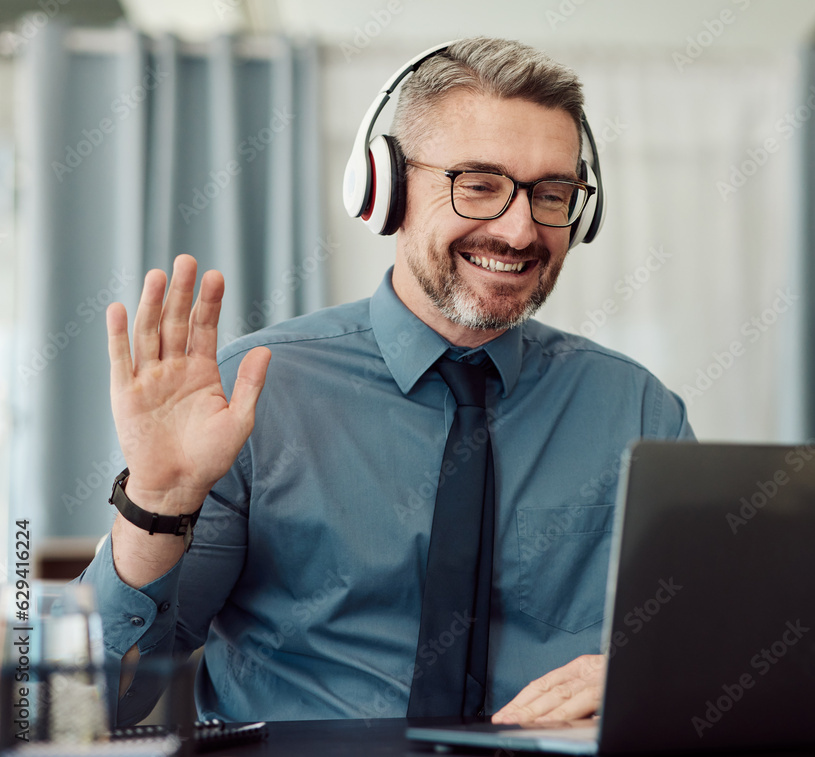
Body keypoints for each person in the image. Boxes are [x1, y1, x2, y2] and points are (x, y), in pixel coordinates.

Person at [81, 37, 694, 726]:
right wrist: (157, 502)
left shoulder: (638, 411)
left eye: (552, 193)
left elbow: (718, 652)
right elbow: (97, 704)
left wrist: (656, 678)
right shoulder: (250, 396)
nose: (520, 229)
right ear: (385, 189)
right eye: (480, 184)